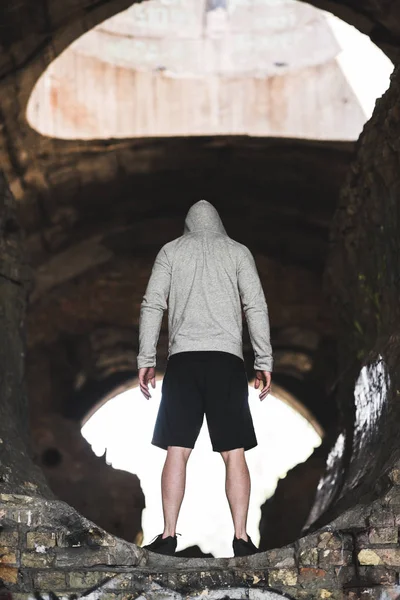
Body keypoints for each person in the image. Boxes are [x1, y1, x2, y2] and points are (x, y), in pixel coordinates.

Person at [136, 200, 273, 557]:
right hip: (227, 362)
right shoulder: (238, 252)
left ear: (187, 225)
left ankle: (168, 534)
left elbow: (153, 303)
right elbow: (255, 305)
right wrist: (264, 359)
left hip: (183, 362)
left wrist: (146, 358)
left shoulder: (171, 251)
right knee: (234, 453)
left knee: (176, 451)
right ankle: (241, 537)